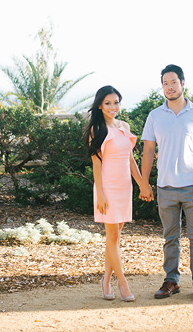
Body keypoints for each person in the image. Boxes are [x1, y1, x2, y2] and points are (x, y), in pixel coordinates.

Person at [138, 64, 193, 301]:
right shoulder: (155, 116)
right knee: (170, 237)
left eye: (173, 82)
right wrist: (144, 182)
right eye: (164, 83)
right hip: (165, 187)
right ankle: (171, 280)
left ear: (183, 83)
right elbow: (148, 150)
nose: (169, 87)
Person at [84, 85, 144, 302]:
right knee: (113, 236)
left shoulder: (124, 126)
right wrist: (100, 193)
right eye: (108, 103)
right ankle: (122, 282)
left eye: (116, 102)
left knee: (115, 238)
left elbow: (130, 160)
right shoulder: (96, 130)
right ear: (100, 105)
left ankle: (105, 279)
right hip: (107, 188)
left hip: (124, 186)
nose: (112, 107)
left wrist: (142, 184)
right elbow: (96, 164)